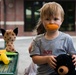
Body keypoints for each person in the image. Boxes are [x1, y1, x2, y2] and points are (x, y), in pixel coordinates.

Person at [28, 2, 76, 75]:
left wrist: (74, 57)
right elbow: (35, 59)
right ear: (42, 21)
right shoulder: (37, 40)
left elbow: (73, 54)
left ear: (61, 21)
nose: (51, 22)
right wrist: (46, 59)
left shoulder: (66, 38)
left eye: (55, 19)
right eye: (47, 19)